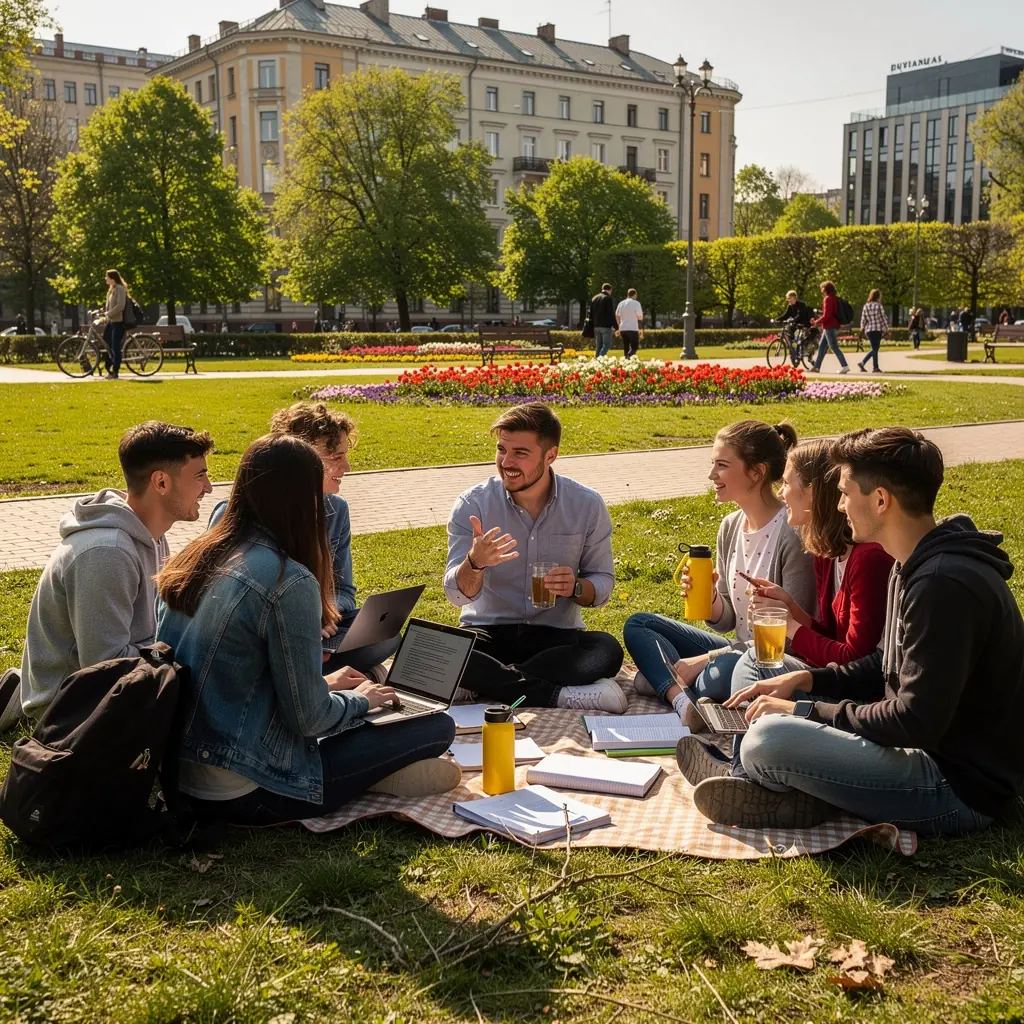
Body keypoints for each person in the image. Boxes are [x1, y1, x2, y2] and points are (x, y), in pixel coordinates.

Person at [691, 426, 1024, 834]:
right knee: (757, 669)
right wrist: (810, 678)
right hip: (910, 742)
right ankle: (772, 785)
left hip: (952, 785)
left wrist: (803, 710)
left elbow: (913, 721)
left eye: (846, 493)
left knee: (768, 741)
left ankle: (758, 778)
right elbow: (882, 666)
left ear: (881, 500)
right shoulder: (912, 562)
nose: (840, 504)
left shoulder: (943, 585)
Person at [157, 434, 460, 826]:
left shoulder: (199, 553)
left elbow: (234, 677)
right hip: (248, 788)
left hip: (180, 774)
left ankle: (376, 772)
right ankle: (377, 776)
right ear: (306, 499)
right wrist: (363, 701)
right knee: (438, 726)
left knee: (363, 712)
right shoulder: (288, 579)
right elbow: (308, 720)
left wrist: (326, 684)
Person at [675, 437, 893, 783]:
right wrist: (790, 608)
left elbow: (853, 660)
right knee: (650, 629)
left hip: (851, 697)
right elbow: (830, 635)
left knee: (752, 665)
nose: (783, 492)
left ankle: (741, 774)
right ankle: (741, 767)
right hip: (827, 676)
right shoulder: (828, 555)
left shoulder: (868, 560)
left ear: (811, 494)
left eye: (788, 484)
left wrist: (790, 626)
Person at [3, 422, 214, 731]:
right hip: (71, 706)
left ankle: (15, 689)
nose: (208, 487)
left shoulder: (151, 533)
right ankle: (22, 694)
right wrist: (184, 660)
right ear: (161, 482)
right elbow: (105, 669)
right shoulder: (106, 553)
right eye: (199, 475)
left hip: (112, 681)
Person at [623, 420, 815, 722]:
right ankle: (682, 699)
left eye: (722, 466)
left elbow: (790, 641)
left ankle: (665, 682)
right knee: (640, 624)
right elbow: (726, 621)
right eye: (713, 464)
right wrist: (711, 598)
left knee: (721, 672)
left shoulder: (791, 535)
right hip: (735, 647)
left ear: (757, 471)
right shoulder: (730, 526)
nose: (712, 475)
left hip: (772, 661)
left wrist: (707, 658)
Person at [444, 403, 625, 712]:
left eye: (520, 453)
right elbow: (455, 594)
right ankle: (559, 695)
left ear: (550, 455)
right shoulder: (473, 505)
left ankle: (485, 684)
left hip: (554, 637)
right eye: (502, 450)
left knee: (606, 650)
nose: (506, 462)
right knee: (438, 650)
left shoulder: (586, 505)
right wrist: (474, 562)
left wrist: (576, 588)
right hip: (489, 633)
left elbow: (603, 581)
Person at [209, 402, 395, 678]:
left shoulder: (336, 510)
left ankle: (315, 674)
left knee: (385, 634)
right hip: (262, 633)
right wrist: (304, 618)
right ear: (295, 459)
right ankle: (331, 677)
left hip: (320, 626)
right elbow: (220, 602)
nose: (346, 466)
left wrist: (324, 612)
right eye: (334, 456)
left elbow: (344, 591)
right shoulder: (236, 512)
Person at [810, 281, 849, 373]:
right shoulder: (835, 298)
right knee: (822, 346)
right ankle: (817, 367)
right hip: (834, 325)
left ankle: (845, 366)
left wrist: (816, 322)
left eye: (822, 288)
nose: (821, 291)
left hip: (829, 326)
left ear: (825, 289)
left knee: (834, 347)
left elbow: (827, 315)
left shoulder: (827, 299)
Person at [101, 270, 128, 379]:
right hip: (111, 321)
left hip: (118, 322)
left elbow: (120, 306)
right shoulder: (111, 290)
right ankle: (109, 368)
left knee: (115, 346)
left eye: (107, 277)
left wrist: (108, 314)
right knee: (106, 343)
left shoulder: (120, 289)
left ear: (113, 278)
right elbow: (109, 306)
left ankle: (115, 371)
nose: (105, 278)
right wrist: (103, 313)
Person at [857, 288, 889, 373]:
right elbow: (883, 318)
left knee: (874, 348)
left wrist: (862, 329)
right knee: (875, 349)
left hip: (869, 330)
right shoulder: (879, 306)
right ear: (878, 297)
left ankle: (864, 363)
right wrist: (887, 329)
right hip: (877, 329)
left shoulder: (866, 306)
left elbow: (863, 319)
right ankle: (874, 367)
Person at [590, 283, 617, 358]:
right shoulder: (608, 298)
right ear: (610, 290)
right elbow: (611, 313)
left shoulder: (594, 298)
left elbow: (591, 313)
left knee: (599, 345)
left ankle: (596, 361)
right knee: (606, 345)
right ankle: (599, 359)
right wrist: (616, 327)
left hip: (596, 325)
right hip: (605, 326)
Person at [615, 288, 644, 359]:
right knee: (634, 347)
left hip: (623, 328)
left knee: (626, 346)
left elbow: (617, 316)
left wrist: (619, 327)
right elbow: (640, 317)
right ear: (635, 294)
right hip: (632, 328)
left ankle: (626, 361)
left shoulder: (621, 303)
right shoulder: (636, 303)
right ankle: (628, 357)